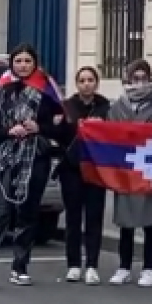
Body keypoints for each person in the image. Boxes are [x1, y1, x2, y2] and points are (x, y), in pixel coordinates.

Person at [0, 44, 66, 291]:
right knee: (0, 214)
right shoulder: (1, 90)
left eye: (27, 61)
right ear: (12, 64)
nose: (23, 65)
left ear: (35, 63)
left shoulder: (47, 90)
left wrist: (40, 128)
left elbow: (61, 128)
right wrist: (8, 131)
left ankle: (20, 267)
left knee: (28, 214)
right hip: (6, 158)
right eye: (18, 61)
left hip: (36, 157)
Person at [108, 58, 152, 287]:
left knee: (150, 221)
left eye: (143, 77)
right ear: (128, 79)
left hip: (149, 168)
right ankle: (124, 267)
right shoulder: (118, 106)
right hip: (125, 169)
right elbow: (110, 134)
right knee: (126, 221)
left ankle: (149, 268)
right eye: (135, 78)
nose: (139, 82)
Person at [60, 65, 110, 285]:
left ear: (96, 83)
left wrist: (102, 126)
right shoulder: (67, 106)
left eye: (90, 80)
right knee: (73, 217)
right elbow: (59, 135)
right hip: (72, 168)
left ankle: (92, 265)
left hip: (97, 168)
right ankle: (73, 264)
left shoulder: (105, 106)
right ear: (77, 84)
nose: (86, 84)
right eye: (82, 80)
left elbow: (113, 135)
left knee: (94, 217)